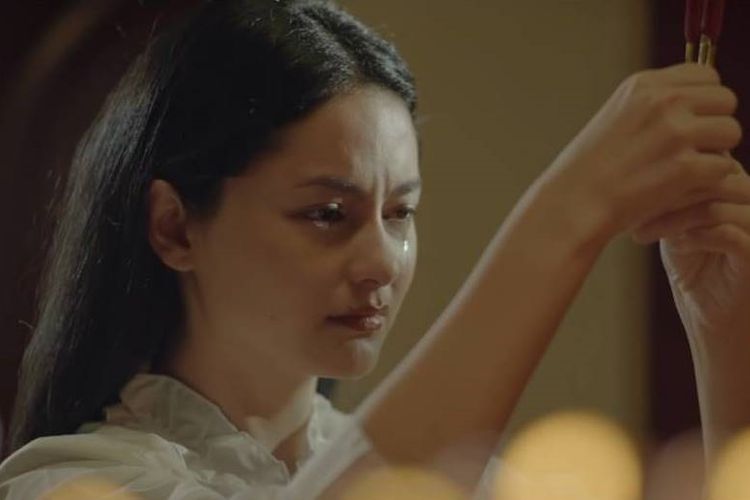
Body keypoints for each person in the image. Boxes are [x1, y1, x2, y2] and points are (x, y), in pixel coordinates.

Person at [1, 0, 748, 498]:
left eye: (401, 213)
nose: (384, 261)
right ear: (174, 228)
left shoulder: (464, 477)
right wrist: (566, 215)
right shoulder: (76, 484)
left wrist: (722, 332)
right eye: (328, 214)